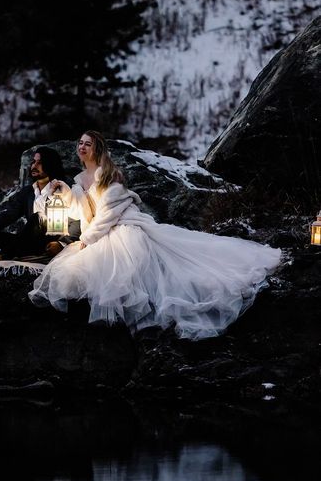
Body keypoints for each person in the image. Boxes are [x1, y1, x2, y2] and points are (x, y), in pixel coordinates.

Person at [28, 131, 282, 340]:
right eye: (80, 143)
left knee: (132, 266)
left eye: (88, 144)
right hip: (98, 231)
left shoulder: (107, 174)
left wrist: (86, 240)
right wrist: (68, 193)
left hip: (121, 227)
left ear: (98, 149)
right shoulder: (78, 178)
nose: (82, 147)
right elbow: (84, 214)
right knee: (76, 271)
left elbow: (108, 214)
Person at [0, 146, 81, 274]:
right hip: (26, 244)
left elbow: (76, 221)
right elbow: (8, 215)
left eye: (40, 163)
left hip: (50, 245)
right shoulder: (28, 192)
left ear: (51, 165)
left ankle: (6, 253)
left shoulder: (63, 187)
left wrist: (61, 244)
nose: (34, 166)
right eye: (33, 162)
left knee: (37, 218)